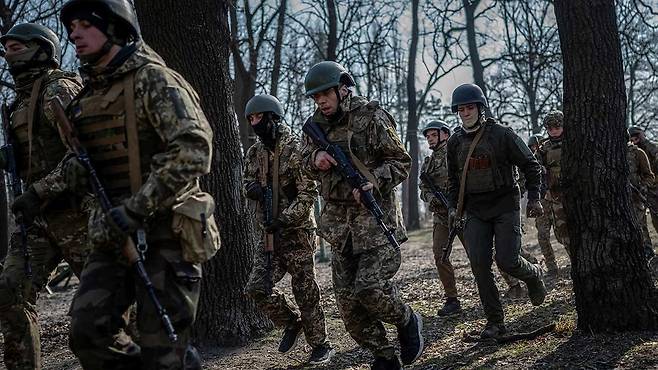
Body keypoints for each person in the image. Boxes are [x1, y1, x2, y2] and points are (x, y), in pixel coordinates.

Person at [59, 1, 217, 368]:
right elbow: (80, 164)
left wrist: (137, 206)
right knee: (88, 333)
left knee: (162, 349)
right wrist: (69, 174)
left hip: (167, 231)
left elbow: (194, 148)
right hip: (112, 235)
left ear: (114, 27)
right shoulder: (86, 99)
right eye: (71, 26)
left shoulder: (154, 80)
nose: (74, 34)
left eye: (85, 24)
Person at [300, 61, 423, 370]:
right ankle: (383, 355)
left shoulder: (371, 117)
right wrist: (315, 158)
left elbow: (402, 161)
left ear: (343, 88)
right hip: (340, 231)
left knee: (367, 291)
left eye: (325, 94)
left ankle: (407, 319)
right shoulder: (314, 126)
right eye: (316, 98)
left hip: (375, 226)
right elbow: (301, 164)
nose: (321, 102)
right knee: (348, 308)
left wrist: (374, 180)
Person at [0, 22, 88, 370]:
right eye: (6, 49)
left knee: (108, 310)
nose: (8, 54)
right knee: (9, 292)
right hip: (36, 222)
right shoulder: (19, 101)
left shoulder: (58, 89)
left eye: (17, 48)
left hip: (77, 216)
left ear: (42, 49)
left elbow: (84, 155)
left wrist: (39, 190)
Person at [446, 83, 546, 339]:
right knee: (479, 265)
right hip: (475, 210)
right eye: (461, 109)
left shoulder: (502, 134)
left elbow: (531, 165)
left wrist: (534, 197)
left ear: (480, 108)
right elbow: (453, 181)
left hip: (504, 205)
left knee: (508, 260)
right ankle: (495, 322)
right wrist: (452, 208)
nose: (465, 112)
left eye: (470, 107)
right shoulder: (455, 142)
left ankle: (534, 275)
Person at [242, 94, 334, 364]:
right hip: (268, 235)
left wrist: (284, 218)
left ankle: (320, 345)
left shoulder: (295, 148)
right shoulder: (254, 152)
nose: (254, 123)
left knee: (305, 290)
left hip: (297, 233)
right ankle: (291, 324)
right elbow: (245, 179)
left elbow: (308, 194)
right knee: (257, 287)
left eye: (258, 117)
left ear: (272, 117)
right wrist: (251, 189)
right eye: (251, 119)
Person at [538, 111, 571, 255]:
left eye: (557, 127)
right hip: (556, 195)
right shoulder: (543, 149)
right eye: (550, 129)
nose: (554, 131)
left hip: (577, 192)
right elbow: (535, 169)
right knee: (563, 232)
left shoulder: (573, 142)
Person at [527, 134, 559, 276]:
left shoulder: (553, 157)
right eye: (533, 147)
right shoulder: (531, 164)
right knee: (543, 236)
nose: (535, 149)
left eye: (537, 146)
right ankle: (551, 266)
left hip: (558, 200)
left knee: (562, 235)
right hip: (542, 203)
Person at [626, 134, 655, 261]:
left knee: (640, 227)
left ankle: (647, 254)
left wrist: (642, 188)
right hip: (618, 201)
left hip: (636, 198)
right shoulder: (607, 155)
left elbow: (649, 176)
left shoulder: (637, 153)